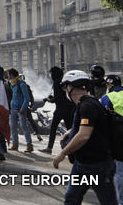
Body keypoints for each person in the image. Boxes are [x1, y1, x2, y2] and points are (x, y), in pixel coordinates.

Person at [52, 70, 117, 205]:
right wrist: (71, 131)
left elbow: (83, 136)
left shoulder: (87, 106)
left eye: (66, 87)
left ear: (71, 87)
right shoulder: (88, 103)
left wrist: (63, 153)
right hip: (83, 163)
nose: (66, 90)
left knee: (108, 201)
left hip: (97, 165)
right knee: (71, 199)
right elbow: (89, 125)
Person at [41, 66, 76, 154]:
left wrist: (48, 100)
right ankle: (74, 148)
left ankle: (49, 148)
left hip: (60, 109)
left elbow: (57, 99)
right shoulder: (65, 82)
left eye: (51, 73)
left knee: (53, 128)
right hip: (69, 109)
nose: (51, 75)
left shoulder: (56, 83)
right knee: (70, 129)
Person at [100, 74, 123, 204]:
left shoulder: (107, 97)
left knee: (119, 171)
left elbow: (101, 117)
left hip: (117, 138)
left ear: (110, 85)